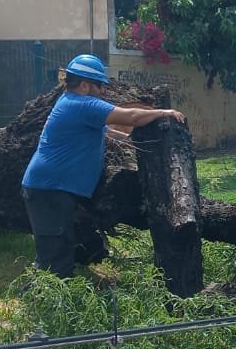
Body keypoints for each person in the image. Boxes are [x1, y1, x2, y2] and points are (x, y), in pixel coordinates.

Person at [21, 54, 185, 278]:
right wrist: (163, 112)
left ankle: (54, 299)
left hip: (53, 188)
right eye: (100, 86)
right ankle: (40, 305)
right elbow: (132, 117)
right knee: (54, 258)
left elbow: (106, 132)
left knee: (65, 247)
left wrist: (132, 142)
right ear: (85, 85)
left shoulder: (70, 103)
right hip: (50, 190)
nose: (103, 92)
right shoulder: (81, 103)